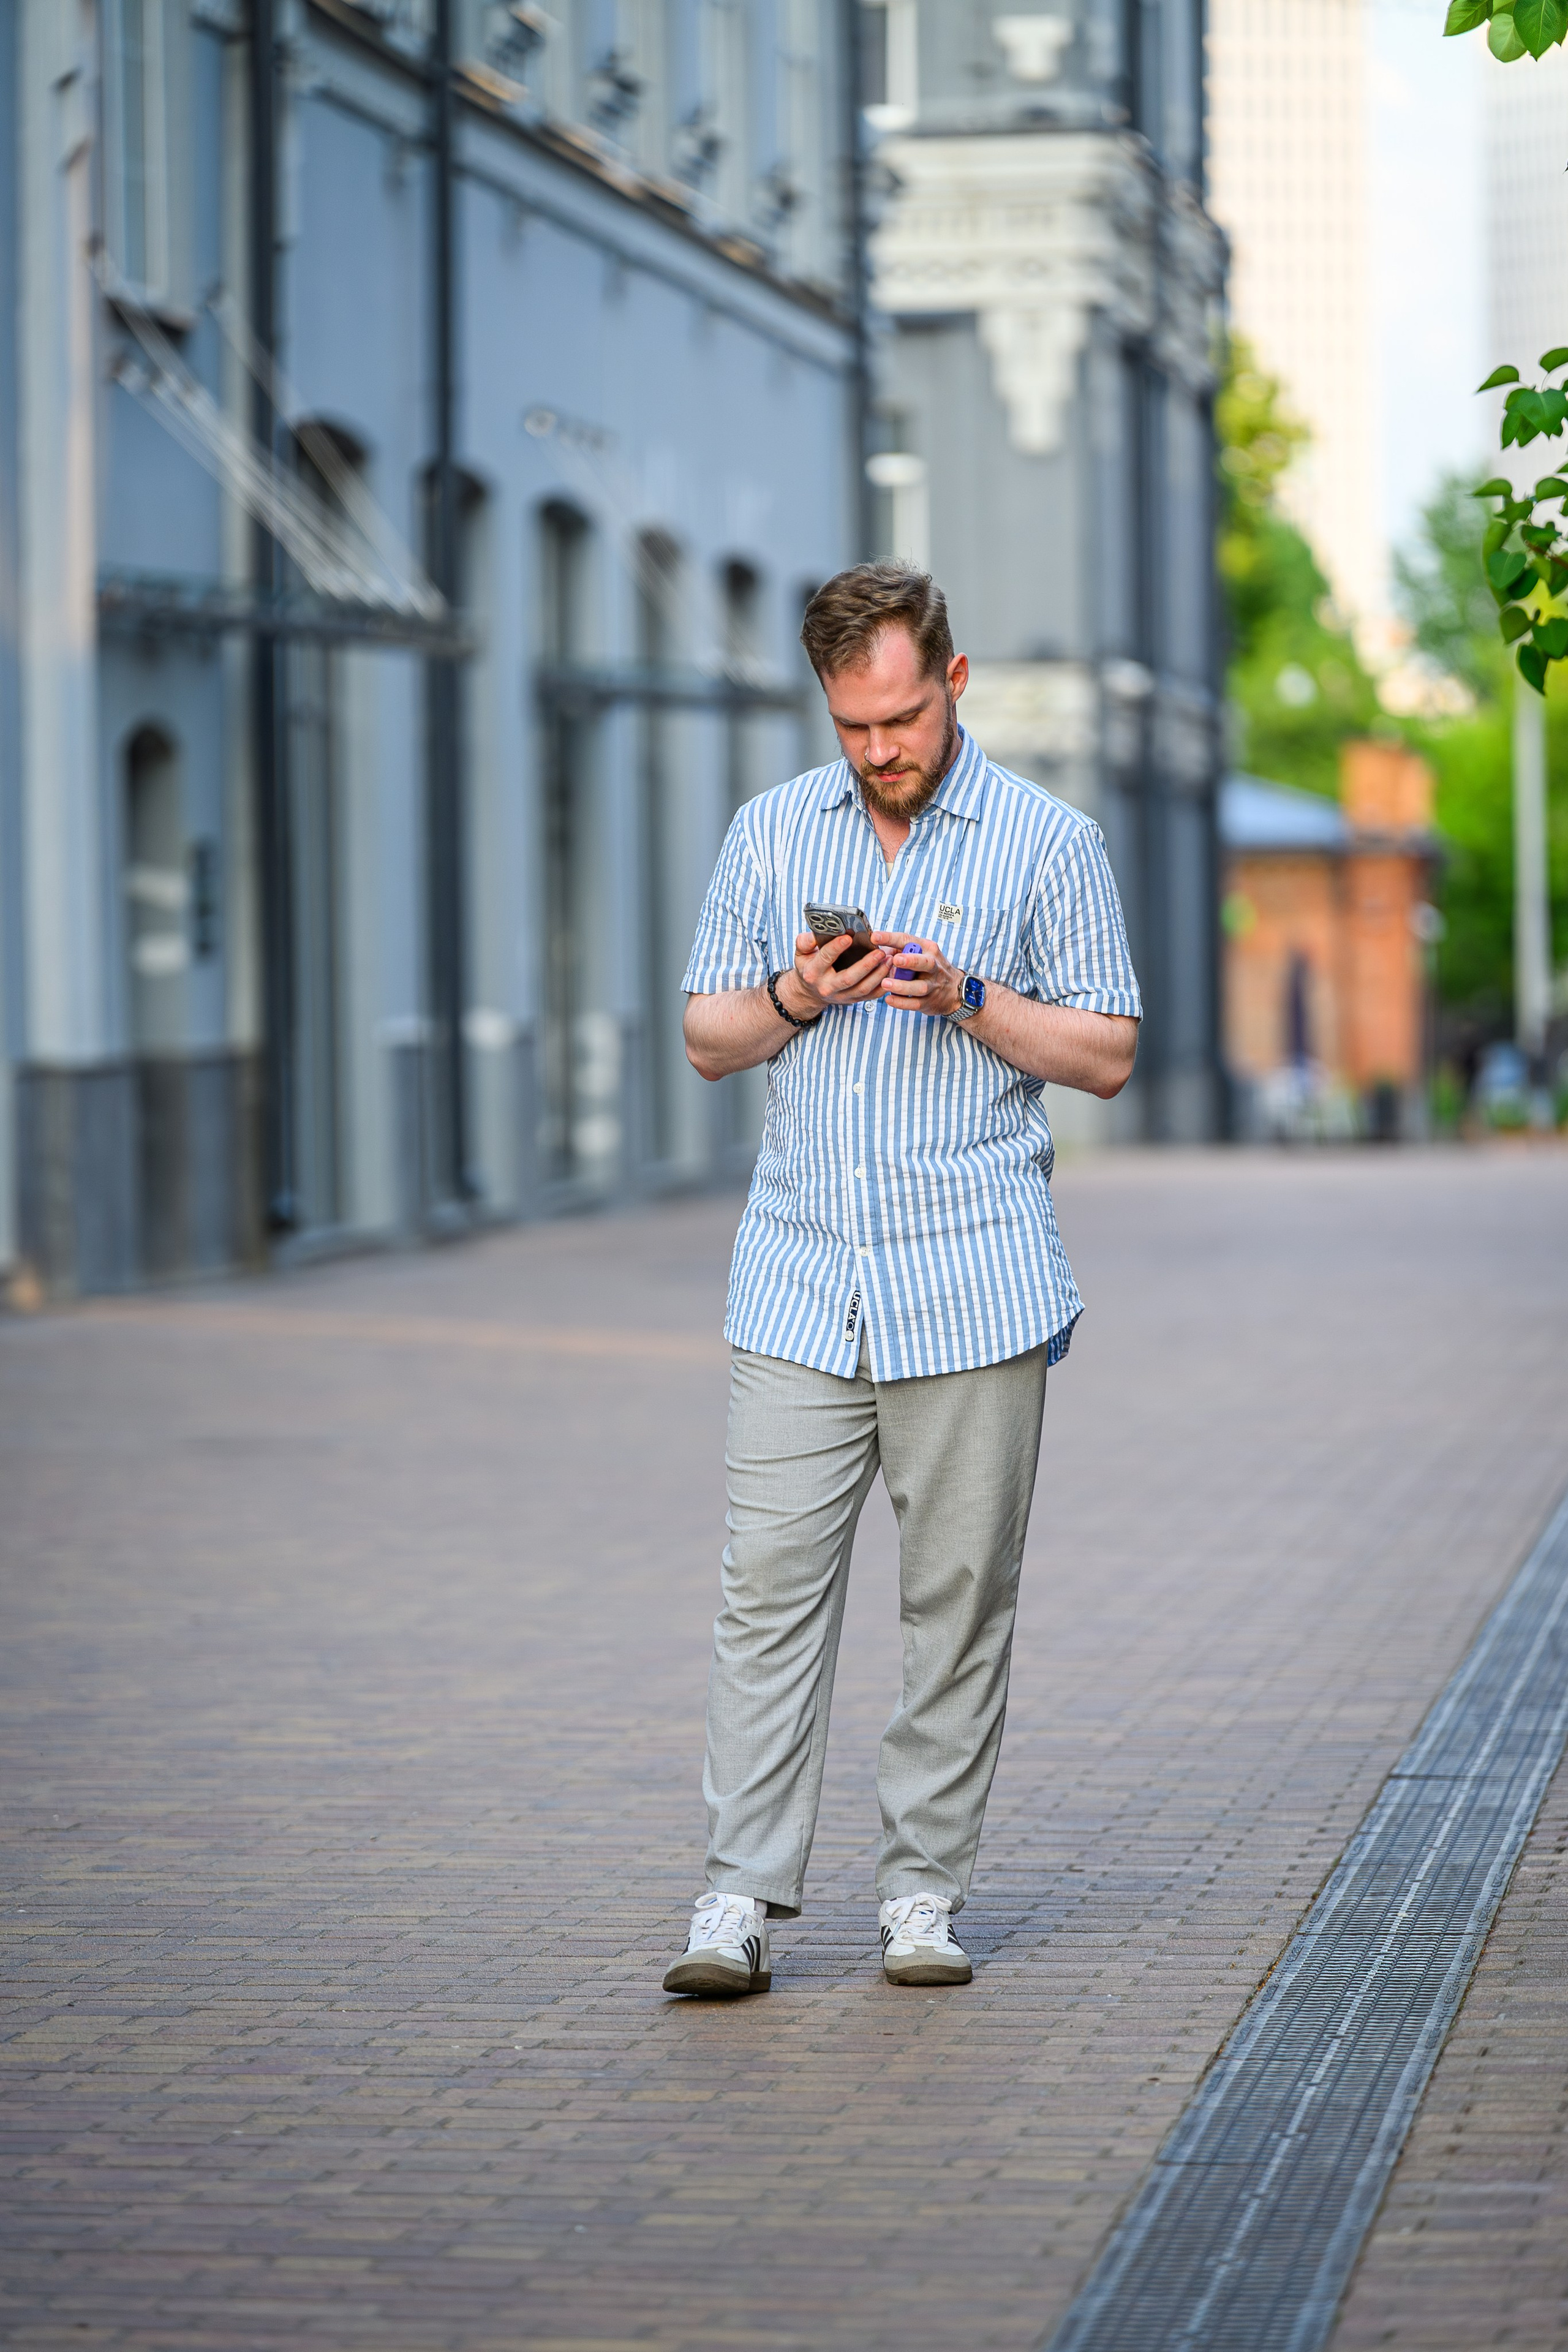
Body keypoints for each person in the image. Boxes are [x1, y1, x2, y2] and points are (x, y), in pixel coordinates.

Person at [664, 564, 1140, 1997]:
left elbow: (1108, 1053)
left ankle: (921, 1895)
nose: (880, 749)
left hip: (972, 1283)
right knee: (765, 1592)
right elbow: (706, 1037)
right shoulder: (767, 833)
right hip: (798, 1278)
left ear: (953, 678)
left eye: (901, 717)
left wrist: (967, 998)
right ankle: (736, 1900)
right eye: (852, 724)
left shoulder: (1049, 844)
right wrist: (799, 994)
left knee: (957, 1601)